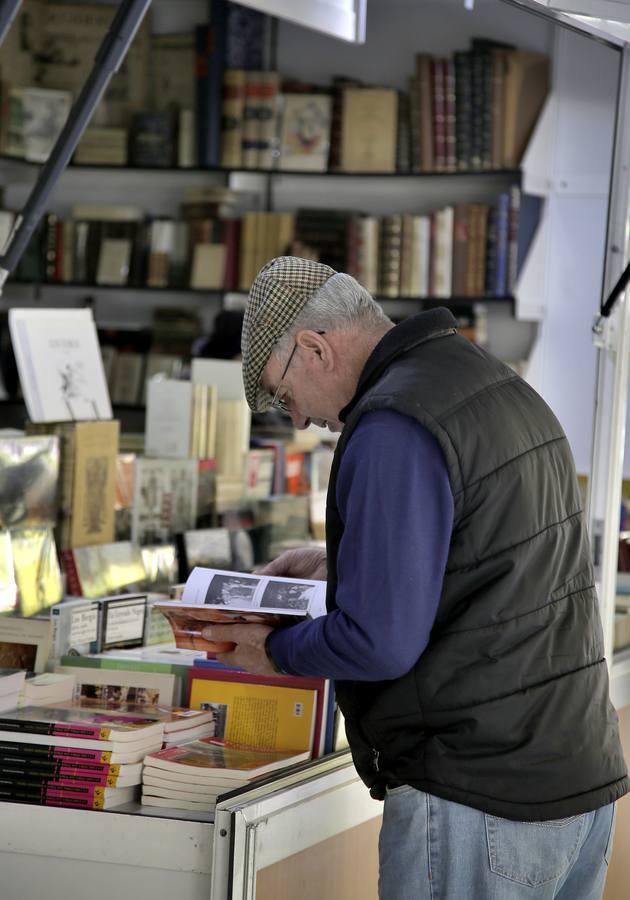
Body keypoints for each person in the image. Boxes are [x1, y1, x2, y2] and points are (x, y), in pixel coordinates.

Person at [200, 256, 629, 900]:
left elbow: (379, 642)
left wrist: (274, 650)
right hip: (574, 779)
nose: (295, 420)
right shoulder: (490, 382)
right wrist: (338, 566)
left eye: (283, 395)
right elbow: (486, 560)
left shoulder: (393, 423)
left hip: (477, 796)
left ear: (314, 347)